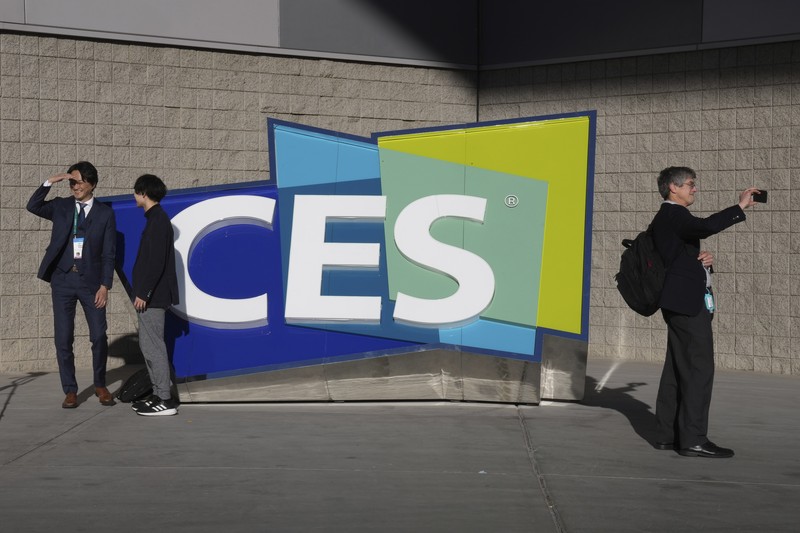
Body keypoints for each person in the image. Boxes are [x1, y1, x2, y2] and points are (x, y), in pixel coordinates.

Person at [651, 166, 760, 458]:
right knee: (699, 368)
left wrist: (703, 261)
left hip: (677, 302)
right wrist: (739, 206)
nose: (694, 189)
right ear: (673, 188)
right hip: (687, 305)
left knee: (677, 367)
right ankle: (693, 439)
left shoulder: (668, 219)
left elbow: (677, 258)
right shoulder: (674, 214)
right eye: (689, 185)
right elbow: (705, 226)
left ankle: (666, 434)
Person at [27, 161, 117, 408]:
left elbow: (109, 253)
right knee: (63, 338)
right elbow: (32, 206)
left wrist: (105, 286)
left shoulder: (105, 214)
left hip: (92, 283)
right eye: (71, 182)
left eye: (79, 182)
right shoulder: (61, 206)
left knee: (99, 335)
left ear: (92, 184)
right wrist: (49, 182)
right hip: (63, 280)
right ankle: (70, 390)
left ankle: (100, 384)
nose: (74, 186)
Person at [130, 174, 180, 416]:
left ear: (143, 193)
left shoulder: (158, 220)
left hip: (152, 297)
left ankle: (164, 399)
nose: (134, 196)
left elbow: (156, 263)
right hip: (150, 296)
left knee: (154, 347)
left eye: (136, 192)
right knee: (148, 345)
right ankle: (157, 393)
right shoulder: (155, 219)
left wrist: (144, 293)